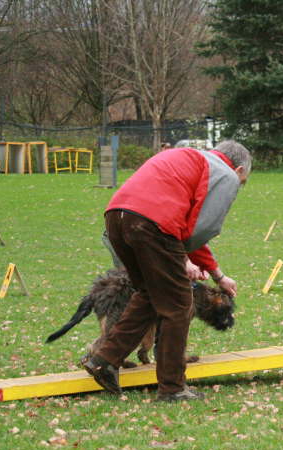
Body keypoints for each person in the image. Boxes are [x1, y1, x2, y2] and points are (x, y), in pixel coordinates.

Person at [81, 140, 252, 401]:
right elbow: (202, 228)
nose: (237, 186)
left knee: (150, 294)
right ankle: (173, 388)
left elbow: (187, 224)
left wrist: (217, 275)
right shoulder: (225, 174)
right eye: (242, 182)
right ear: (238, 170)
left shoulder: (187, 158)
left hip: (117, 217)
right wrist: (182, 259)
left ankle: (103, 360)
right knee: (179, 304)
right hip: (152, 224)